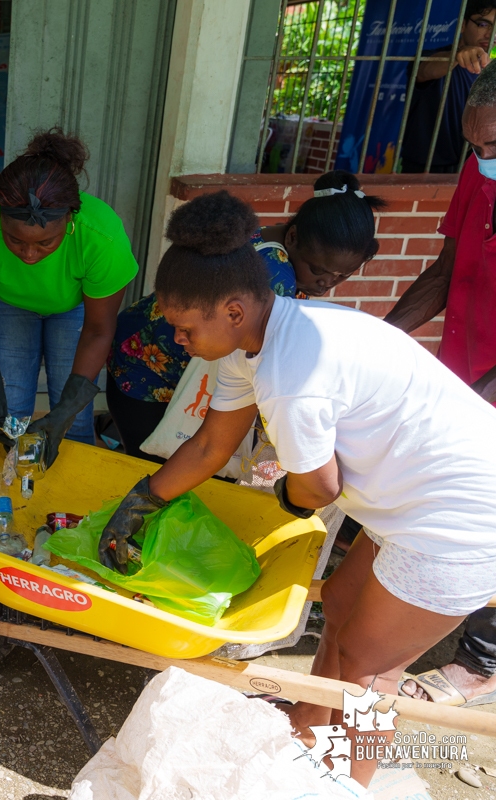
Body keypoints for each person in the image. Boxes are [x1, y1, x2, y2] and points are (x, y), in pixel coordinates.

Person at [99, 190, 496, 788]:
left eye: (183, 328)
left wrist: (279, 501)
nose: (177, 341)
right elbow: (211, 445)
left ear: (232, 310)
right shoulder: (253, 344)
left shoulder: (293, 372)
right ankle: (309, 728)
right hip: (414, 503)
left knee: (370, 669)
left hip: (461, 518)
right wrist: (142, 501)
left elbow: (316, 489)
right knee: (338, 605)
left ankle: (346, 783)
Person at [106, 170, 386, 460]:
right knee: (153, 466)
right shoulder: (274, 279)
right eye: (318, 270)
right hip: (146, 368)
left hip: (146, 340)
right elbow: (262, 366)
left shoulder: (274, 236)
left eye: (343, 275)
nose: (326, 283)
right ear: (293, 237)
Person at [388, 61, 496, 707]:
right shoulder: (480, 173)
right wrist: (379, 342)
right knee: (365, 664)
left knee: (365, 666)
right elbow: (446, 267)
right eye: (475, 148)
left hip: (483, 392)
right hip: (464, 377)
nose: (482, 160)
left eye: (493, 148)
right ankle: (347, 771)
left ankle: (481, 660)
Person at [0, 129, 137, 467]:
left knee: (72, 420)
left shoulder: (102, 239)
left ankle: (71, 511)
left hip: (76, 311)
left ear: (69, 221)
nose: (30, 255)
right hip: (9, 305)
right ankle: (8, 499)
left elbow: (98, 329)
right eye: (15, 241)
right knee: (8, 414)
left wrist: (65, 409)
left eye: (45, 243)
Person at [400, 0, 496, 174]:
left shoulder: (491, 72)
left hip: (473, 170)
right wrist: (455, 57)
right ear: (463, 25)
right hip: (425, 170)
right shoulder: (433, 57)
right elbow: (424, 70)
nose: (491, 34)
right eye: (483, 24)